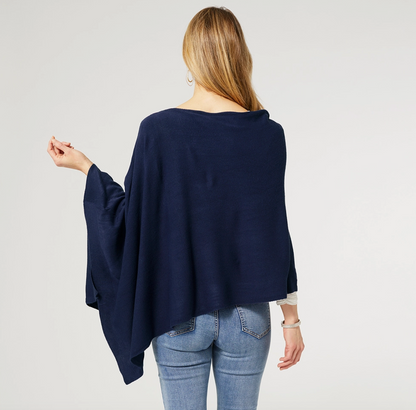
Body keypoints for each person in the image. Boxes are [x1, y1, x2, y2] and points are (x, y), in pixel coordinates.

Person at [47, 6, 305, 410]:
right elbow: (274, 233)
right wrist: (292, 319)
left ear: (191, 58)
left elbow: (131, 220)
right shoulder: (269, 134)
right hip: (248, 318)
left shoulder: (158, 130)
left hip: (177, 311)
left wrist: (86, 168)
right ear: (240, 56)